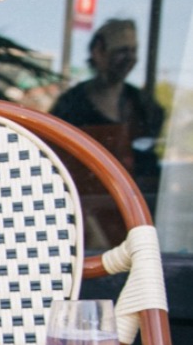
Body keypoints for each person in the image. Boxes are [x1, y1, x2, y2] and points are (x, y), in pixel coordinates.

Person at [51, 18, 164, 247]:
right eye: (121, 51)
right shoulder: (72, 105)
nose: (129, 58)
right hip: (89, 215)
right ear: (98, 52)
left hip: (137, 212)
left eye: (133, 51)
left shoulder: (143, 105)